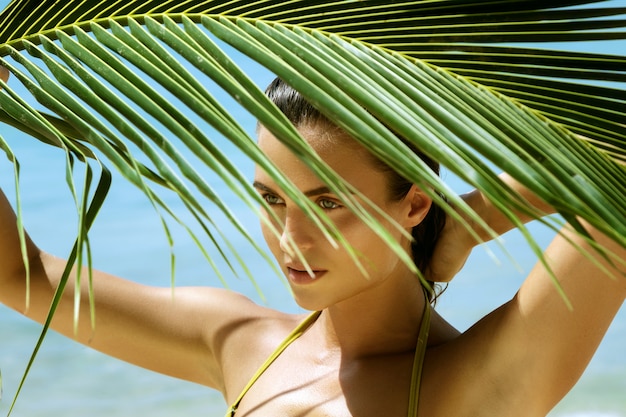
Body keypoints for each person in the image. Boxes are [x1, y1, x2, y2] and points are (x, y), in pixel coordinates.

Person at [1, 69, 624, 417]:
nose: (291, 238)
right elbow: (19, 277)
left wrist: (473, 218)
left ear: (412, 203)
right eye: (273, 199)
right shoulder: (239, 343)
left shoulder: (477, 383)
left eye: (328, 204)